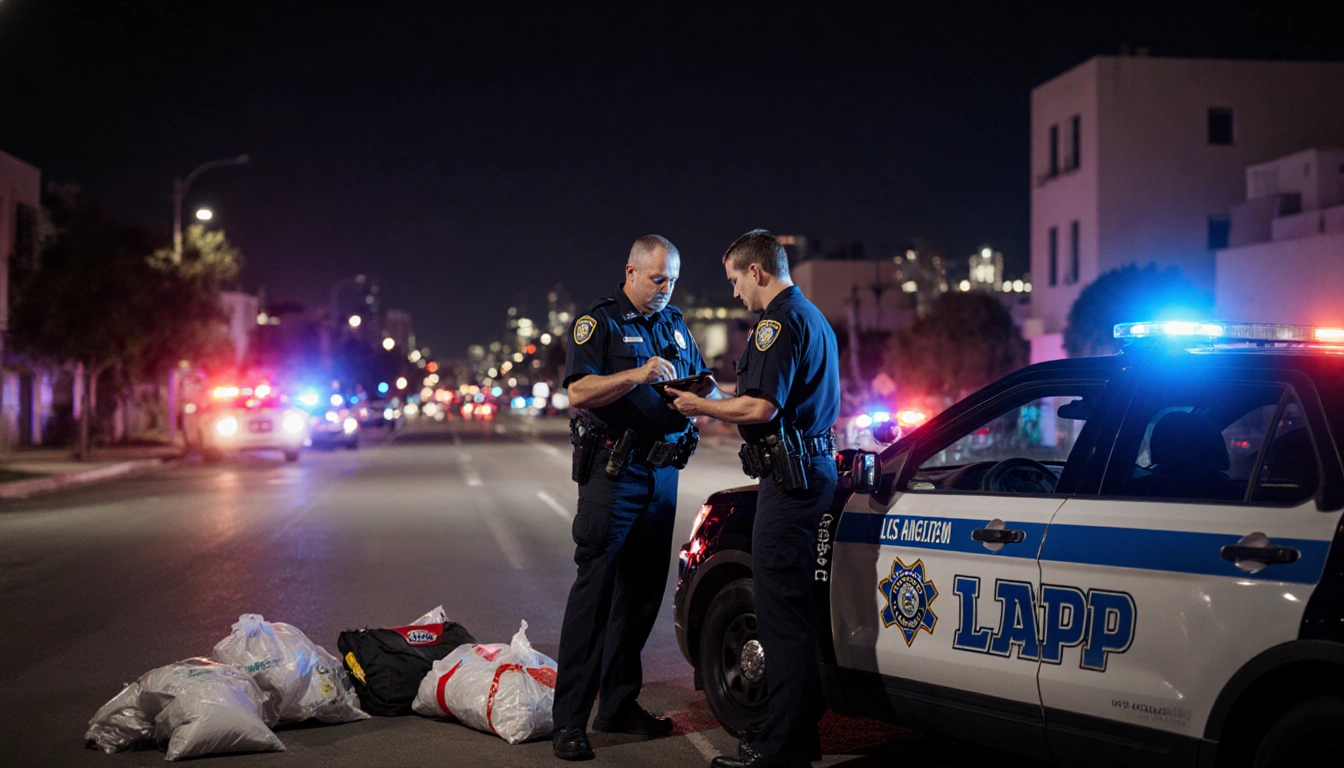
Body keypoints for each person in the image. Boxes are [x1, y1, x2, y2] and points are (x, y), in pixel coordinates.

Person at [666, 229, 840, 768]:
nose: (736, 292)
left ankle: (783, 749)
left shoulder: (776, 323)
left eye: (736, 279)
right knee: (792, 611)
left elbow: (762, 408)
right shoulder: (812, 316)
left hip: (789, 485)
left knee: (780, 614)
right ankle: (791, 732)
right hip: (809, 472)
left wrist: (703, 406)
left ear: (758, 271)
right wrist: (717, 395)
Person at [552, 234, 717, 761]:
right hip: (613, 472)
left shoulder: (675, 324)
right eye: (657, 278)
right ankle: (569, 723)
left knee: (642, 597)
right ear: (630, 272)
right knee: (595, 595)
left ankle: (619, 704)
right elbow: (577, 392)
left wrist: (703, 396)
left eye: (673, 279)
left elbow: (691, 383)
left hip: (660, 475)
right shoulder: (598, 322)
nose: (667, 288)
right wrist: (636, 375)